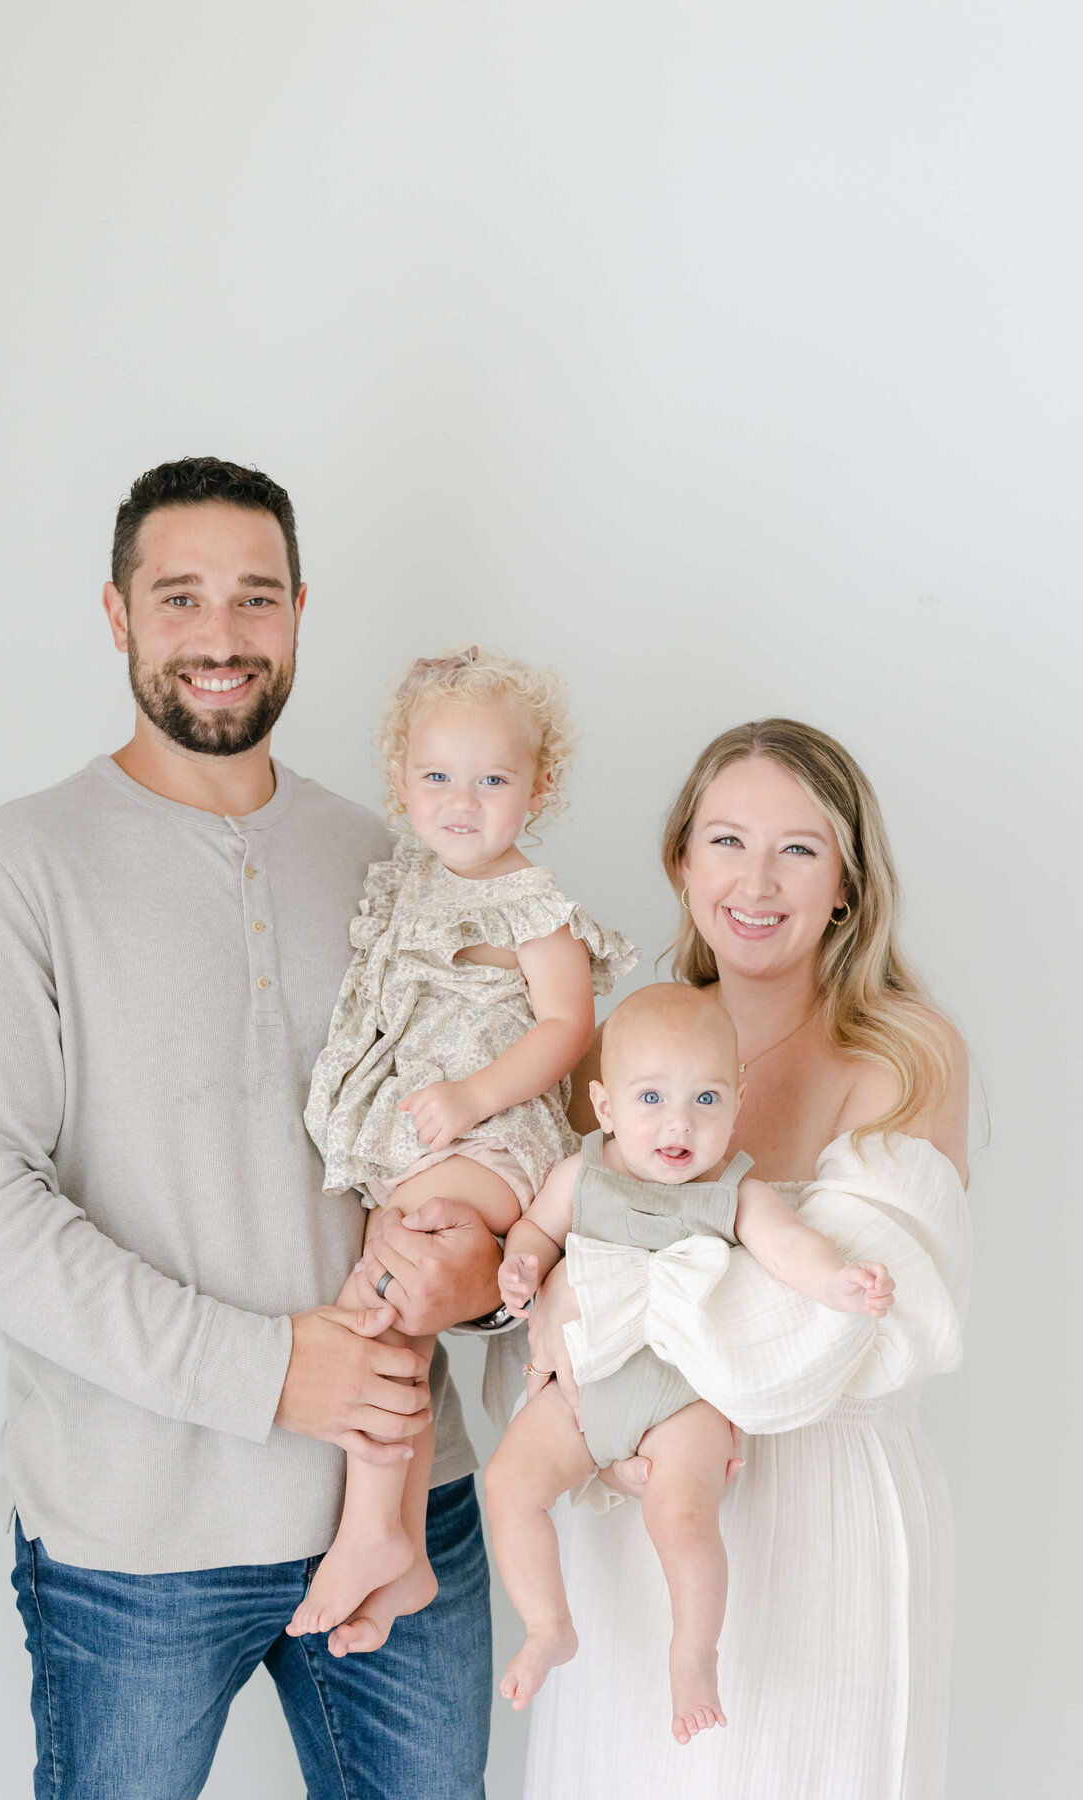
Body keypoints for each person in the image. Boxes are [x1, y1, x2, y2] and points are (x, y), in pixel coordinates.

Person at [0, 457, 506, 1800]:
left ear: (300, 612)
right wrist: (262, 1373)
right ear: (118, 616)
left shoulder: (396, 856)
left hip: (412, 1506)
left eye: (253, 598)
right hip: (135, 1544)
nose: (221, 637)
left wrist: (487, 1303)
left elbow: (486, 1147)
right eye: (180, 598)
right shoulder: (24, 867)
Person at [517, 719, 971, 1800]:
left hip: (824, 1516)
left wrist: (589, 1310)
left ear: (849, 886)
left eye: (799, 849)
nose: (755, 881)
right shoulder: (616, 1048)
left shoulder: (906, 1056)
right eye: (725, 841)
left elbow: (830, 1340)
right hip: (631, 1513)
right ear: (682, 862)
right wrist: (585, 1390)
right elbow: (530, 1317)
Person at [292, 646, 637, 1650]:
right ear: (400, 780)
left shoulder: (531, 900)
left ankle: (371, 1533)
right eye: (438, 776)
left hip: (491, 1130)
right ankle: (397, 1541)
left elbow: (567, 1028)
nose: (462, 802)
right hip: (425, 1125)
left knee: (392, 1291)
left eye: (493, 781)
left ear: (539, 788)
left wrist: (476, 1095)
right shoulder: (406, 878)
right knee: (382, 1314)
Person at [486, 981, 896, 1745]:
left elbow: (790, 1250)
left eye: (706, 1099)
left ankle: (693, 1657)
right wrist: (523, 1269)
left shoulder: (736, 1191)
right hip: (586, 1389)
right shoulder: (583, 1177)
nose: (679, 1124)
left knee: (682, 1517)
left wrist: (840, 1280)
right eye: (652, 1099)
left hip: (686, 1399)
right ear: (605, 1108)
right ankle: (549, 1625)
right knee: (508, 1484)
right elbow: (536, 1233)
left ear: (738, 1099)